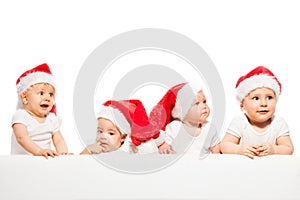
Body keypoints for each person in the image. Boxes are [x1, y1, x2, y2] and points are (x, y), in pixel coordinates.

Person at [220, 66, 294, 159]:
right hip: (244, 168)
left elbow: (288, 148)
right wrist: (239, 150)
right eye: (256, 98)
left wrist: (274, 150)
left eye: (269, 97)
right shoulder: (240, 122)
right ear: (242, 105)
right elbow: (224, 145)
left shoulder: (278, 123)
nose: (264, 103)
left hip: (271, 169)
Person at [150, 82, 221, 159]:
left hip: (202, 167)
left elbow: (217, 151)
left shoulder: (210, 128)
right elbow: (163, 146)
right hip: (181, 167)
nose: (204, 106)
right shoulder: (175, 128)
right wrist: (165, 150)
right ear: (183, 112)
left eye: (204, 102)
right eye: (196, 104)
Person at [11, 63, 68, 159]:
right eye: (41, 93)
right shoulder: (21, 116)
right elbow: (22, 138)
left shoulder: (51, 118)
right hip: (21, 162)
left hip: (42, 162)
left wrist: (63, 154)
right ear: (24, 98)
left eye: (51, 94)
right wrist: (39, 151)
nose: (47, 98)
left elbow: (59, 140)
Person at [81, 99, 160, 154]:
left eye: (111, 133)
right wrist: (87, 151)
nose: (103, 136)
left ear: (123, 138)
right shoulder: (95, 149)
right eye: (100, 131)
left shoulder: (129, 150)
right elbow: (77, 165)